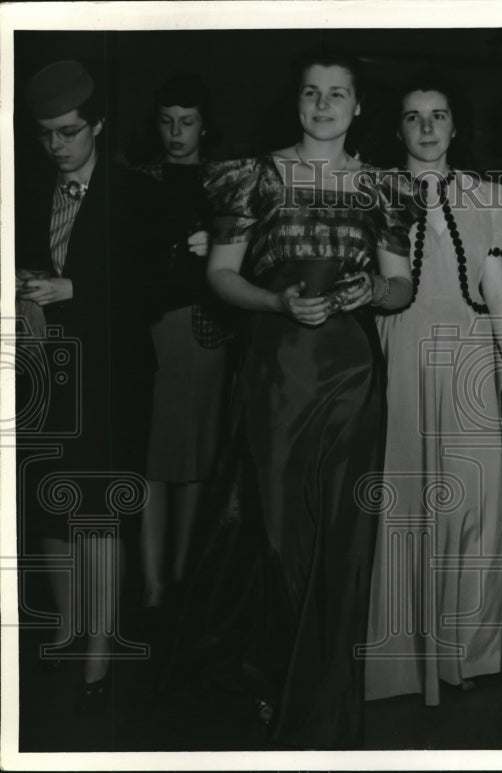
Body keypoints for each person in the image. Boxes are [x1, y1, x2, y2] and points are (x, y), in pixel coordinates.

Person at [200, 45, 413, 749]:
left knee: (343, 539)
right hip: (276, 373)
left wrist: (372, 293)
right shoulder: (253, 178)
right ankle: (275, 679)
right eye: (311, 93)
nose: (323, 105)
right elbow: (221, 274)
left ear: (357, 107)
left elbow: (400, 283)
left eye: (336, 94)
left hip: (352, 376)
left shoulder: (383, 186)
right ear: (297, 101)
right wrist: (275, 301)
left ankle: (325, 701)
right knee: (278, 534)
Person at [364, 76, 502, 706]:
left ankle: (463, 656)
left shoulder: (489, 195)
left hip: (469, 361)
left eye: (438, 116)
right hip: (399, 357)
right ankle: (402, 663)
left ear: (456, 126)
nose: (427, 128)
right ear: (398, 128)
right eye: (413, 118)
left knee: (472, 507)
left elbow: (499, 294)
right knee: (404, 505)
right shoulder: (372, 192)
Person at [15, 59, 155, 711]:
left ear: (97, 124)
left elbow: (155, 289)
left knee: (98, 516)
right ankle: (71, 625)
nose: (56, 146)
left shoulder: (133, 193)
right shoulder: (24, 189)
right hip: (45, 372)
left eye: (68, 132)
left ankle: (101, 652)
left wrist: (76, 289)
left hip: (109, 377)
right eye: (45, 134)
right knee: (47, 504)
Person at [133, 74, 232, 613]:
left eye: (187, 122)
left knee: (196, 455)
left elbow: (253, 252)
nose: (176, 132)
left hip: (203, 331)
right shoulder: (135, 178)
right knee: (150, 458)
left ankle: (181, 573)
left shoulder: (225, 180)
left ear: (204, 125)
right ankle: (152, 586)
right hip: (148, 328)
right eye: (167, 122)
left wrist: (218, 243)